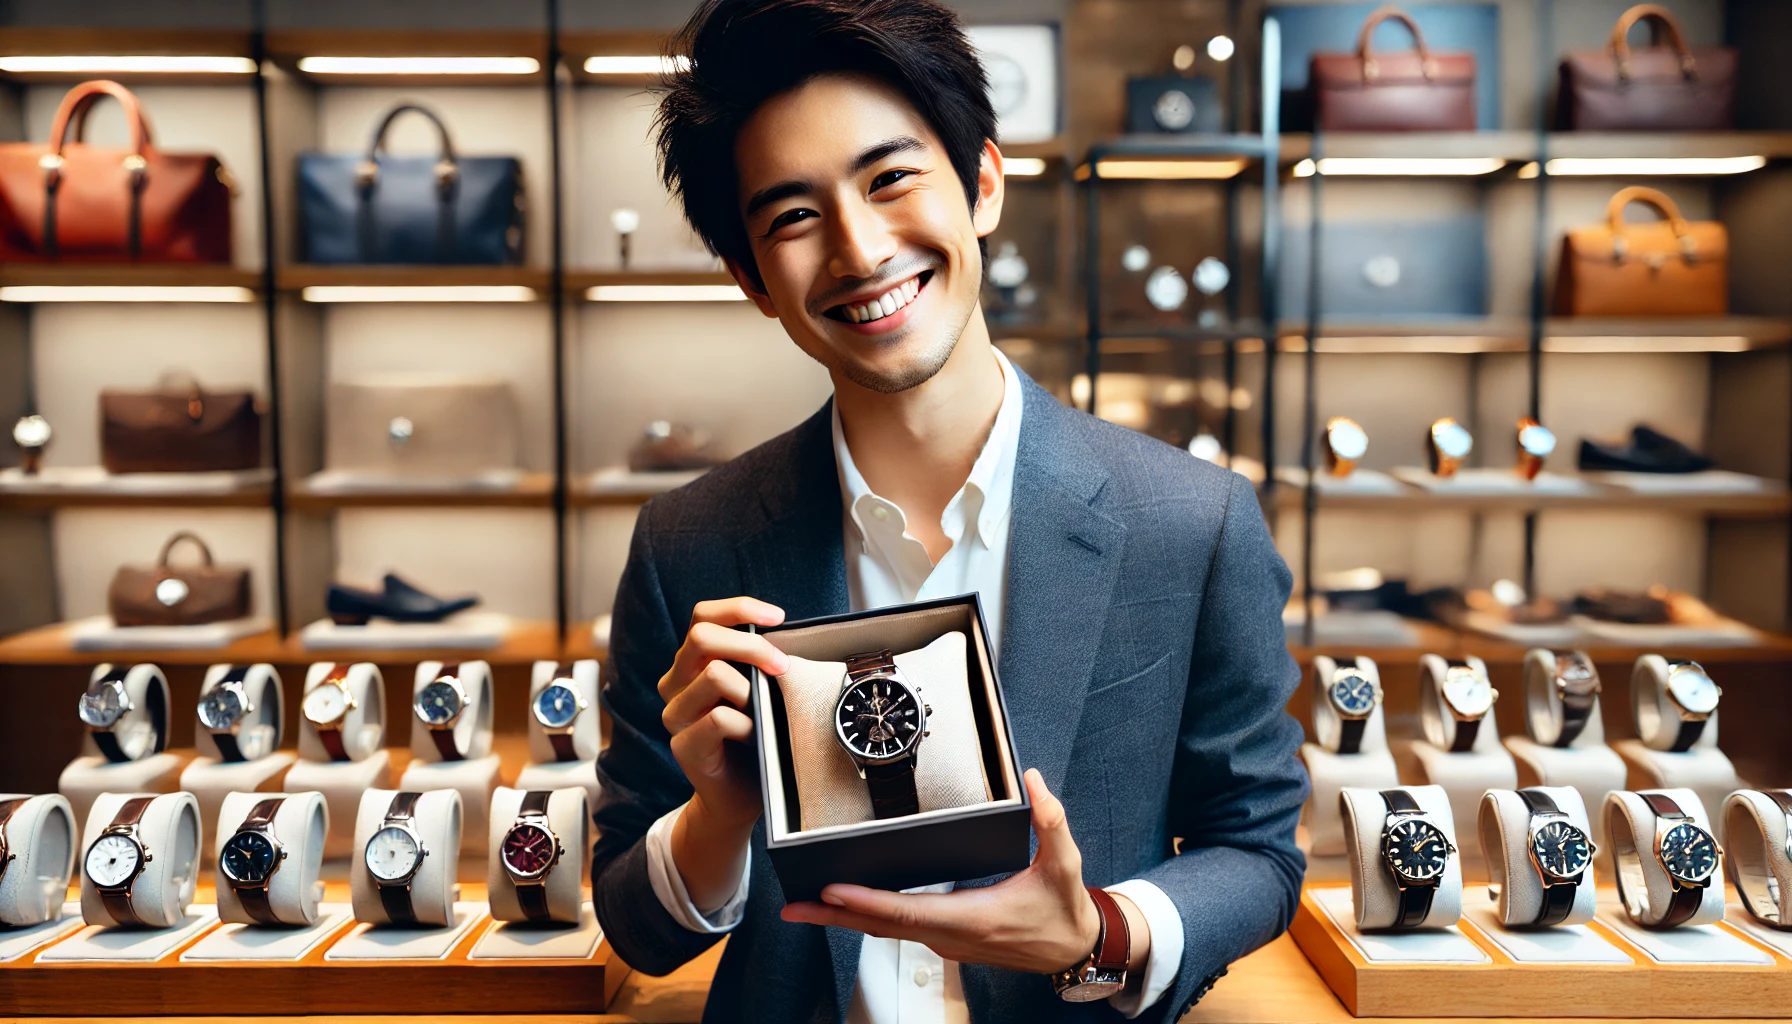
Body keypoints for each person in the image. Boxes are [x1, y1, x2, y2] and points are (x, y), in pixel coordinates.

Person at [591, 0, 1309, 1020]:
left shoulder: (1190, 522)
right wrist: (718, 815)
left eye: (890, 178)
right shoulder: (687, 543)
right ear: (751, 278)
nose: (858, 247)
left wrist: (1096, 936)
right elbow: (633, 922)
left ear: (982, 183)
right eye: (793, 215)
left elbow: (1258, 850)